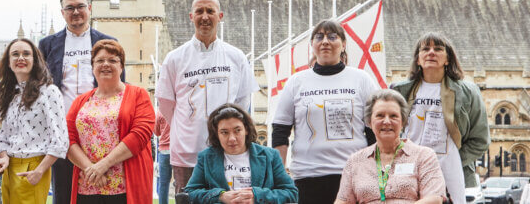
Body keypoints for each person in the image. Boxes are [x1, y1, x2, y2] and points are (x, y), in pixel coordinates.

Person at [155, 0, 259, 193]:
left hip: (225, 152)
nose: (204, 16)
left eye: (210, 11)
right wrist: (188, 124)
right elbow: (166, 104)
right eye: (199, 11)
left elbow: (242, 103)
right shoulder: (175, 58)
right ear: (190, 16)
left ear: (220, 16)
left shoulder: (236, 57)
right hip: (187, 153)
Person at [271, 19, 380, 203]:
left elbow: (374, 130)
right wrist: (280, 176)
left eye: (332, 36)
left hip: (353, 174)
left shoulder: (361, 79)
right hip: (307, 176)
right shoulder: (296, 82)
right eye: (319, 37)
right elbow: (280, 131)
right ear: (312, 44)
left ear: (344, 44)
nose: (325, 41)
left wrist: (375, 169)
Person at [38, 0, 120, 204]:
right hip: (63, 130)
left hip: (99, 129)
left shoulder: (108, 42)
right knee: (63, 193)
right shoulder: (47, 45)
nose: (76, 12)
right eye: (70, 8)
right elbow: (40, 87)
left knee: (101, 189)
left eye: (80, 6)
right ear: (62, 12)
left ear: (90, 8)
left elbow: (120, 85)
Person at [390, 32, 489, 204]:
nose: (431, 53)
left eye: (438, 49)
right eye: (425, 49)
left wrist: (454, 161)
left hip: (451, 176)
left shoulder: (468, 92)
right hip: (409, 172)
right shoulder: (399, 91)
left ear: (448, 59)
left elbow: (480, 139)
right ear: (418, 59)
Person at [65, 40, 154, 204]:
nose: (106, 64)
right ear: (92, 67)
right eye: (100, 60)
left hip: (125, 187)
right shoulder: (80, 102)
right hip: (87, 186)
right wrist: (90, 169)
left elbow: (139, 136)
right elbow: (68, 139)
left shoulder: (139, 95)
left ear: (121, 66)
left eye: (112, 60)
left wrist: (103, 165)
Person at [335, 89, 446, 204]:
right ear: (369, 121)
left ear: (403, 122)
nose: (387, 121)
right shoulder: (355, 161)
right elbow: (342, 201)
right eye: (380, 115)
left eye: (393, 116)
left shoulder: (424, 156)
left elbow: (434, 199)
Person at [0, 38, 68, 204]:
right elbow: (2, 137)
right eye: (15, 54)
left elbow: (60, 140)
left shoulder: (49, 92)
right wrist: (3, 157)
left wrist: (39, 171)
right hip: (9, 169)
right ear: (9, 62)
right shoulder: (11, 95)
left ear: (35, 60)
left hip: (33, 167)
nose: (20, 58)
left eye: (26, 54)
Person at [185, 104, 298, 204]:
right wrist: (220, 196)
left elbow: (291, 193)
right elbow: (190, 192)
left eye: (237, 130)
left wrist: (257, 196)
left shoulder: (270, 156)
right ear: (216, 134)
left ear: (246, 130)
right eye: (224, 132)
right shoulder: (205, 157)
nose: (232, 138)